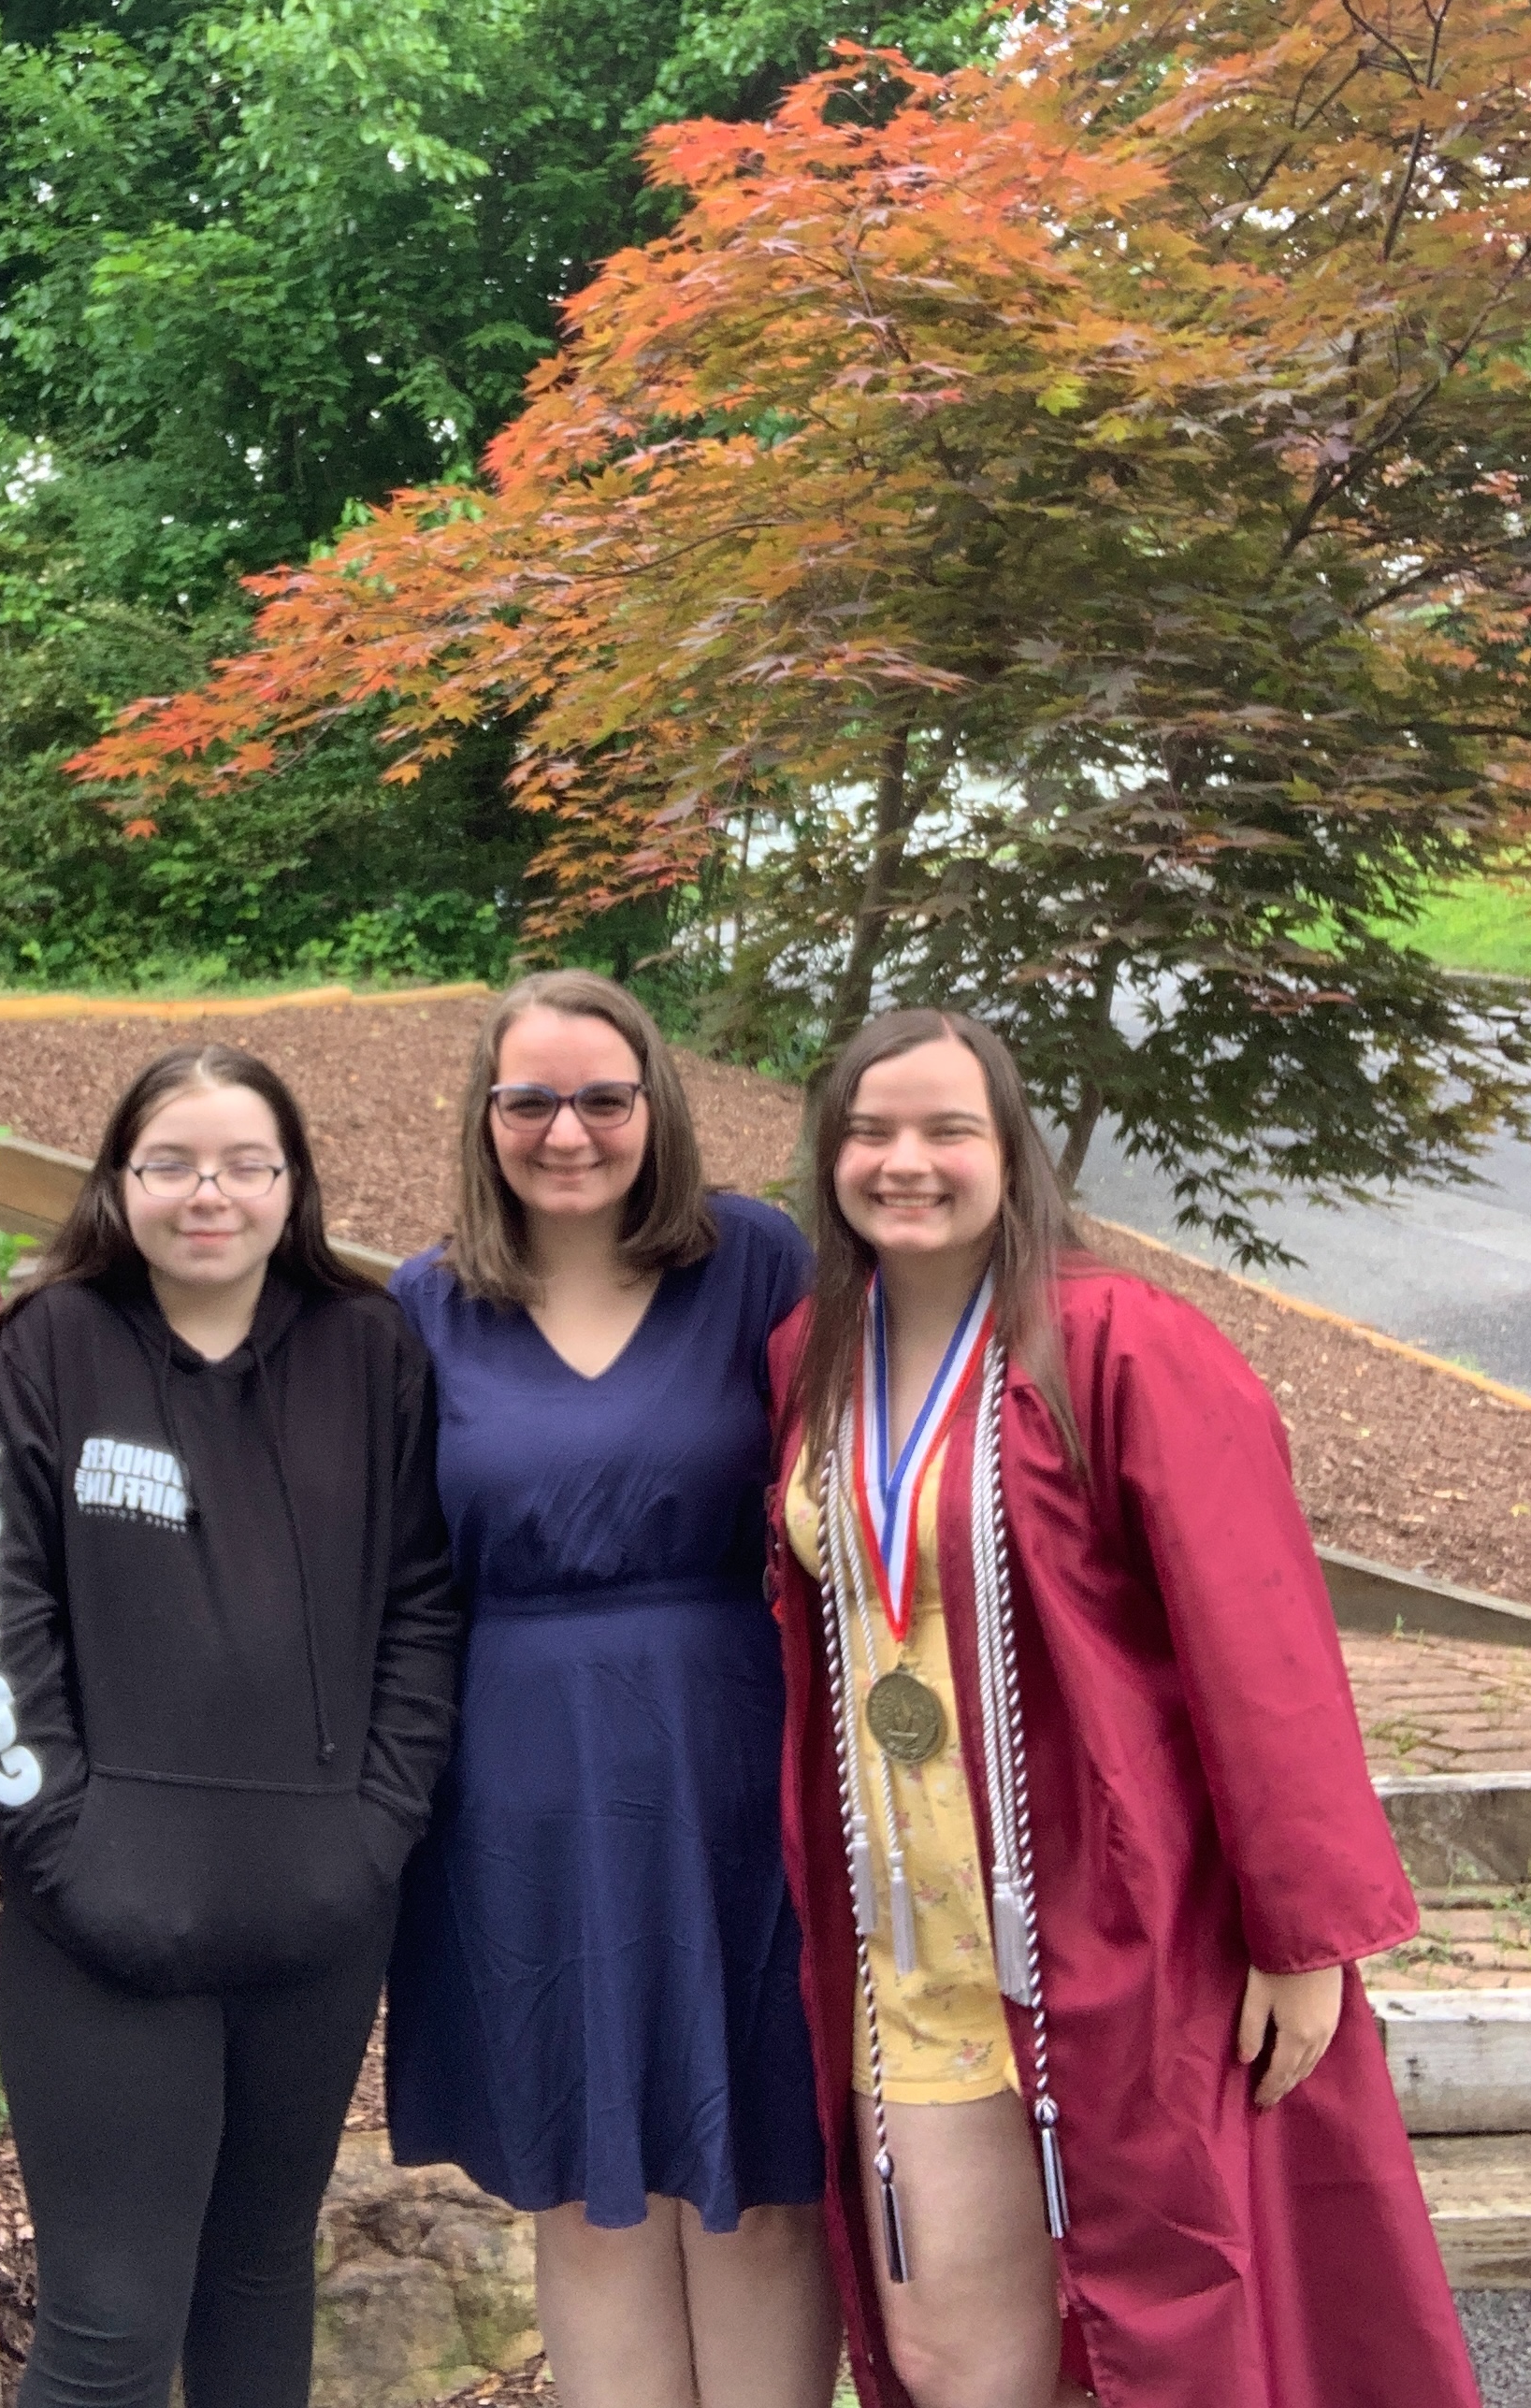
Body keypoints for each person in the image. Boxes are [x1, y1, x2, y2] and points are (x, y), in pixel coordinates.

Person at [770, 1005, 1482, 2408]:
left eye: (946, 1130)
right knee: (943, 2347)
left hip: (1126, 1924)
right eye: (870, 1131)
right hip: (912, 1943)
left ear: (1011, 1151)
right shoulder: (813, 1353)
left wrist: (1305, 1936)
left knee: (1169, 2318)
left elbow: (1262, 1642)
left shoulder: (1125, 1344)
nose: (905, 1161)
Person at [0, 1041, 456, 2408]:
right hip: (102, 1921)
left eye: (244, 1165)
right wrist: (60, 1845)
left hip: (320, 1916)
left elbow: (423, 1607)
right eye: (171, 1164)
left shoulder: (375, 1347)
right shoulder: (44, 1347)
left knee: (264, 2280)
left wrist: (376, 1831)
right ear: (120, 1180)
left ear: (292, 1185)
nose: (206, 1194)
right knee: (108, 2324)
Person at [384, 969, 843, 2408]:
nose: (566, 1130)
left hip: (732, 1756)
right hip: (517, 1774)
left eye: (601, 1097)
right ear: (486, 1116)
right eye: (531, 1100)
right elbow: (384, 1567)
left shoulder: (758, 1264)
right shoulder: (423, 1306)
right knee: (588, 2188)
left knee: (763, 2178)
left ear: (657, 1107)